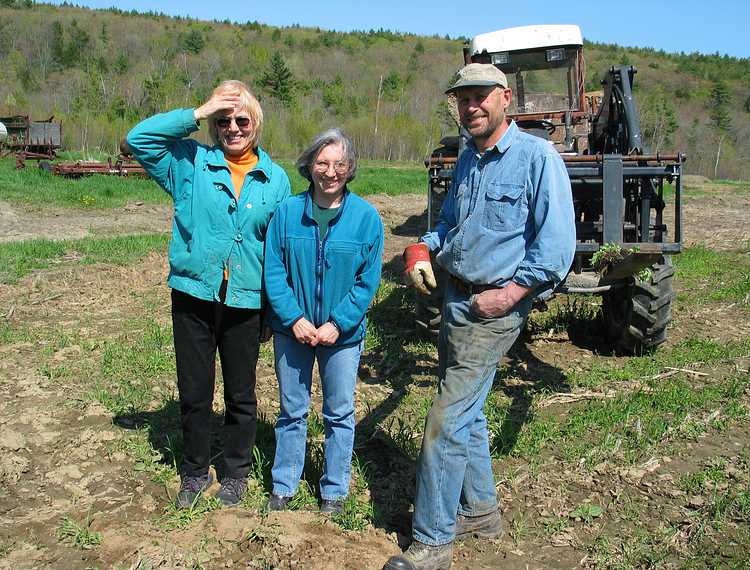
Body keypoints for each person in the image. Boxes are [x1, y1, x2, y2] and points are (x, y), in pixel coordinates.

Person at [385, 64, 576, 570]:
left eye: (479, 97)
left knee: (445, 422)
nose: (470, 106)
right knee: (466, 413)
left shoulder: (537, 158)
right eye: (462, 98)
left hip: (492, 307)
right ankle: (480, 511)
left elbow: (556, 248)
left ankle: (432, 542)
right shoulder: (469, 158)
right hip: (455, 299)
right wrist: (422, 250)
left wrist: (510, 294)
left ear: (505, 98)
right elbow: (449, 223)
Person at [126, 80, 291, 508]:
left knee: (241, 394)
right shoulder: (190, 164)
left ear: (256, 122)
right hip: (193, 297)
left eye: (241, 119)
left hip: (245, 301)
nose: (232, 127)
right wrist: (198, 111)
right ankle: (195, 471)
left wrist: (272, 311)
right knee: (195, 391)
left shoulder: (276, 181)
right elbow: (137, 139)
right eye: (223, 120)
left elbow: (280, 251)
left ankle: (236, 473)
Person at [264, 128, 383, 515]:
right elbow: (274, 272)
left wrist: (338, 323)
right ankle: (284, 483)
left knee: (339, 413)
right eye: (322, 162)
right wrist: (294, 318)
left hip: (342, 337)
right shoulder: (286, 214)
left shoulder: (366, 219)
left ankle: (334, 489)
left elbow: (367, 282)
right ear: (309, 166)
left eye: (339, 164)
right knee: (292, 411)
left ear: (350, 169)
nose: (330, 171)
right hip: (292, 332)